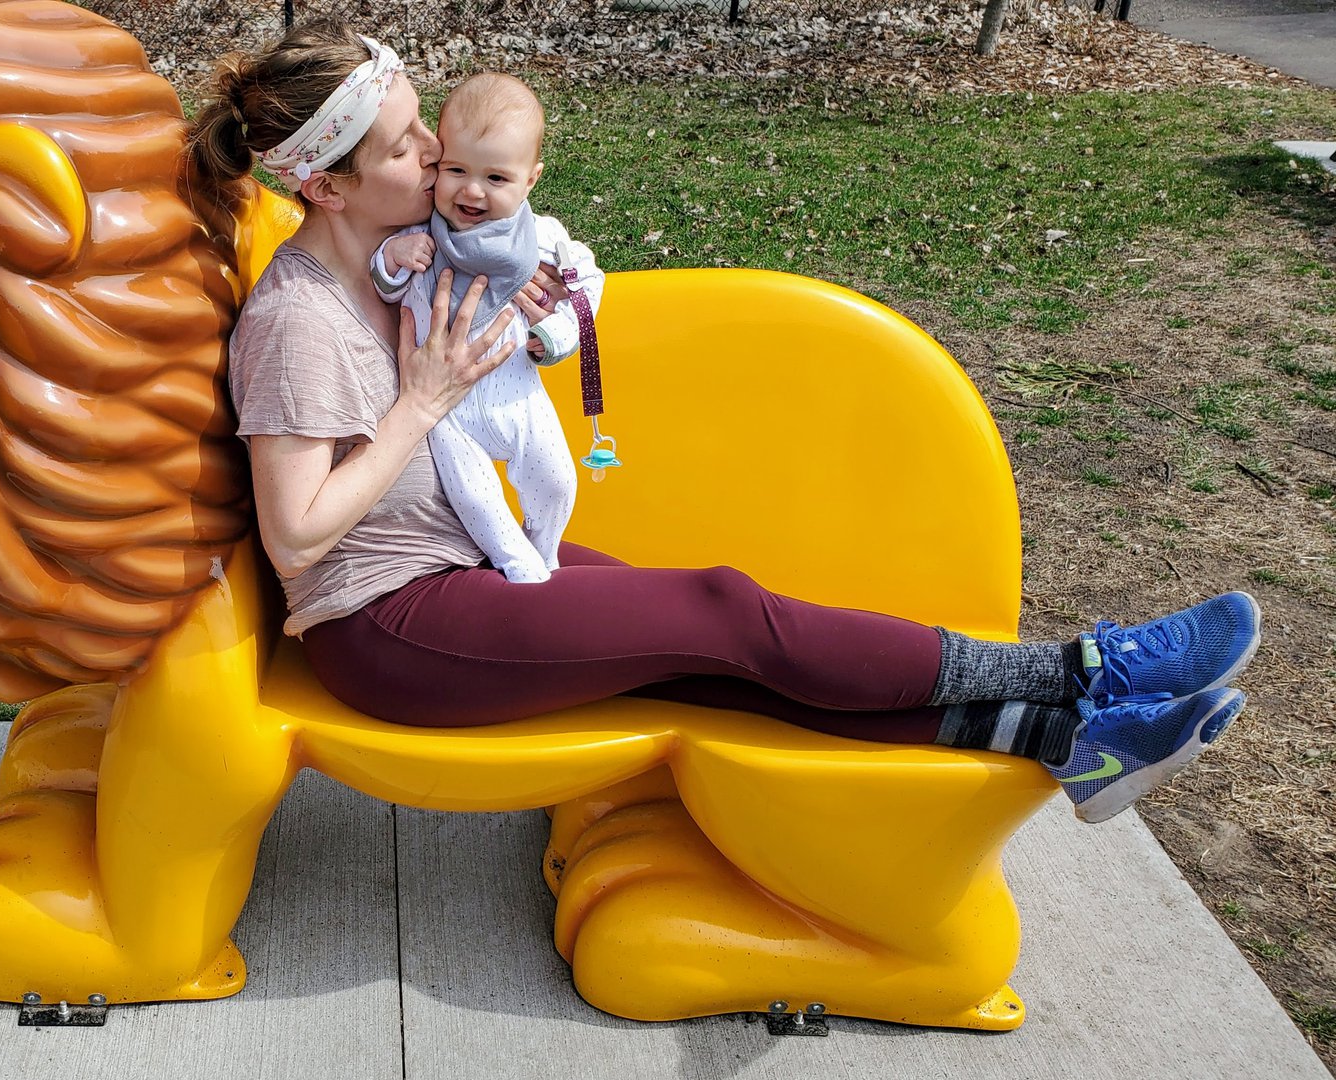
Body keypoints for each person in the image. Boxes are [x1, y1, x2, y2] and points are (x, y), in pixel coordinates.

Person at [182, 20, 1262, 824]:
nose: (436, 152)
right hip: (392, 628)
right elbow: (296, 535)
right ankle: (1083, 672)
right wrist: (423, 403)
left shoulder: (389, 259)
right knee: (725, 613)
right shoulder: (296, 321)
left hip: (460, 569)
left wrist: (548, 308)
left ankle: (1070, 742)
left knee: (724, 660)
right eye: (407, 144)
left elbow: (518, 302)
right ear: (326, 187)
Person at [369, 72, 603, 584]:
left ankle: (545, 552)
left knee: (557, 479)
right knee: (474, 492)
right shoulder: (417, 232)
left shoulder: (542, 238)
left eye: (496, 179)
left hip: (517, 391)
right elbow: (386, 290)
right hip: (448, 407)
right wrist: (392, 258)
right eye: (456, 169)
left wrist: (557, 334)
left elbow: (587, 284)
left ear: (530, 180)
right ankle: (515, 563)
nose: (471, 191)